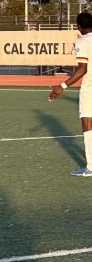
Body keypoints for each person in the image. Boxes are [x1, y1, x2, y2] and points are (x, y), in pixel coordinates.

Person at [48, 12, 92, 176]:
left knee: (88, 123)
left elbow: (82, 69)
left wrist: (61, 86)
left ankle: (91, 167)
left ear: (79, 27)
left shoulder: (82, 41)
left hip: (90, 88)